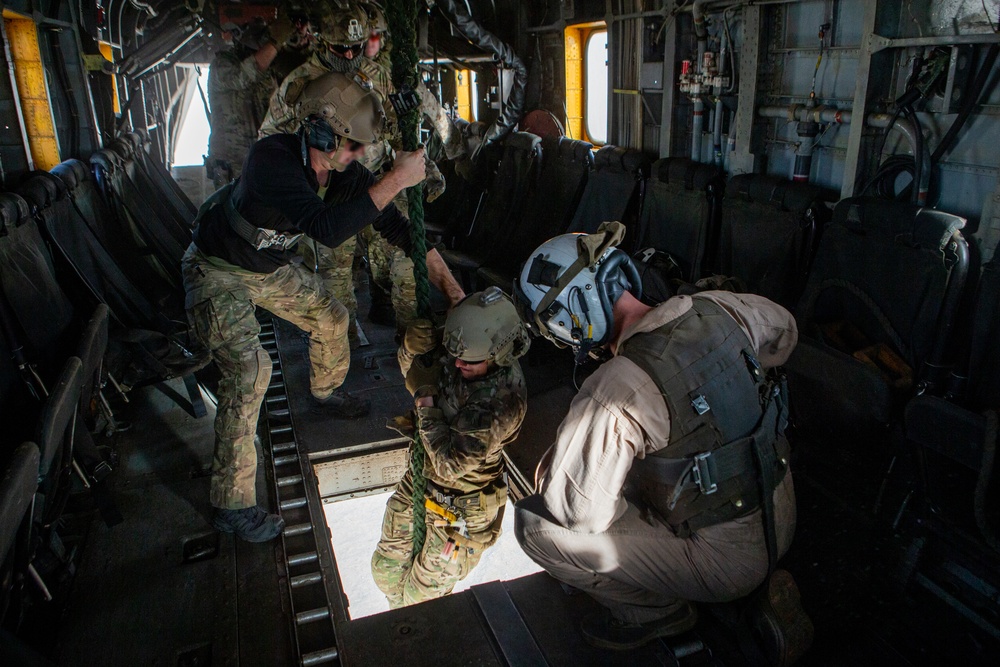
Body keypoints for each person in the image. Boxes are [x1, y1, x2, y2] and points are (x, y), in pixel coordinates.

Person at [511, 223, 813, 663]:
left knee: (535, 527)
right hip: (783, 512)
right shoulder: (718, 307)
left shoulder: (615, 389)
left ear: (573, 318)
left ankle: (656, 611)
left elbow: (577, 515)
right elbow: (784, 330)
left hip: (727, 563)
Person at [182, 71, 461, 543]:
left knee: (332, 318)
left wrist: (453, 291)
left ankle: (325, 392)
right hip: (217, 268)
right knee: (250, 371)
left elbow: (398, 230)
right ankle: (231, 505)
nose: (356, 158)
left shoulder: (343, 174)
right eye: (351, 146)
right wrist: (397, 177)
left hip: (265, 268)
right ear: (320, 131)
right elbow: (326, 229)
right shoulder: (271, 159)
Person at [260, 1, 465, 341]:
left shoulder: (377, 76)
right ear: (322, 43)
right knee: (337, 275)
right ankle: (345, 348)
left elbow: (401, 128)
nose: (350, 55)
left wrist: (424, 167)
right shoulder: (298, 86)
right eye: (341, 49)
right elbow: (270, 141)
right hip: (329, 194)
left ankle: (410, 344)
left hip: (380, 182)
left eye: (356, 48)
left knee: (403, 266)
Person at [371, 287, 530, 607]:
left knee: (419, 601)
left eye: (468, 362)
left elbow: (449, 464)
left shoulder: (502, 401)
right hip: (423, 481)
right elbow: (418, 371)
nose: (457, 364)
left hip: (461, 511)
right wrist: (409, 349)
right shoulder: (467, 345)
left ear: (499, 352)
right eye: (455, 356)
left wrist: (425, 401)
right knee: (385, 572)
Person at [206, 15, 304, 190]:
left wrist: (300, 40)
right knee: (237, 212)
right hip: (234, 165)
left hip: (263, 160)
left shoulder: (269, 71)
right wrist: (276, 40)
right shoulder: (221, 66)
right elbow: (245, 75)